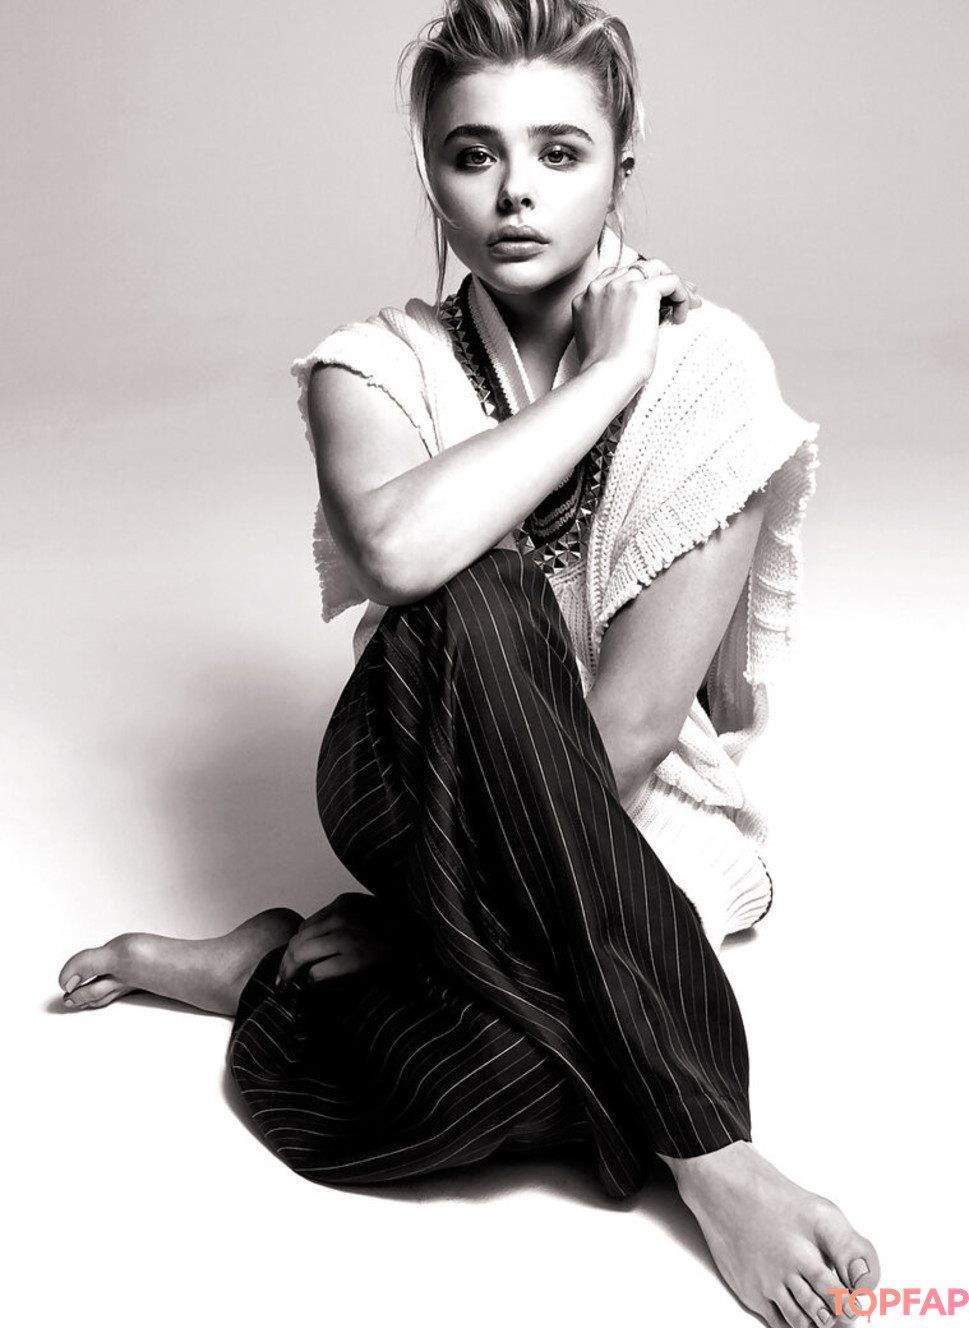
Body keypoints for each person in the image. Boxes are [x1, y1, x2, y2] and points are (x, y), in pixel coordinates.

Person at [57, 1, 879, 1322]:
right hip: (411, 774)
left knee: (502, 1081)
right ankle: (711, 1152)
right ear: (430, 169)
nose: (515, 193)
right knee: (478, 588)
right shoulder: (370, 367)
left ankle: (262, 969)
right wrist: (601, 381)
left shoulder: (713, 371)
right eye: (473, 153)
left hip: (621, 807)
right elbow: (397, 550)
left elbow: (626, 736)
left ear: (622, 162)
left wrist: (429, 927)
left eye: (560, 151)